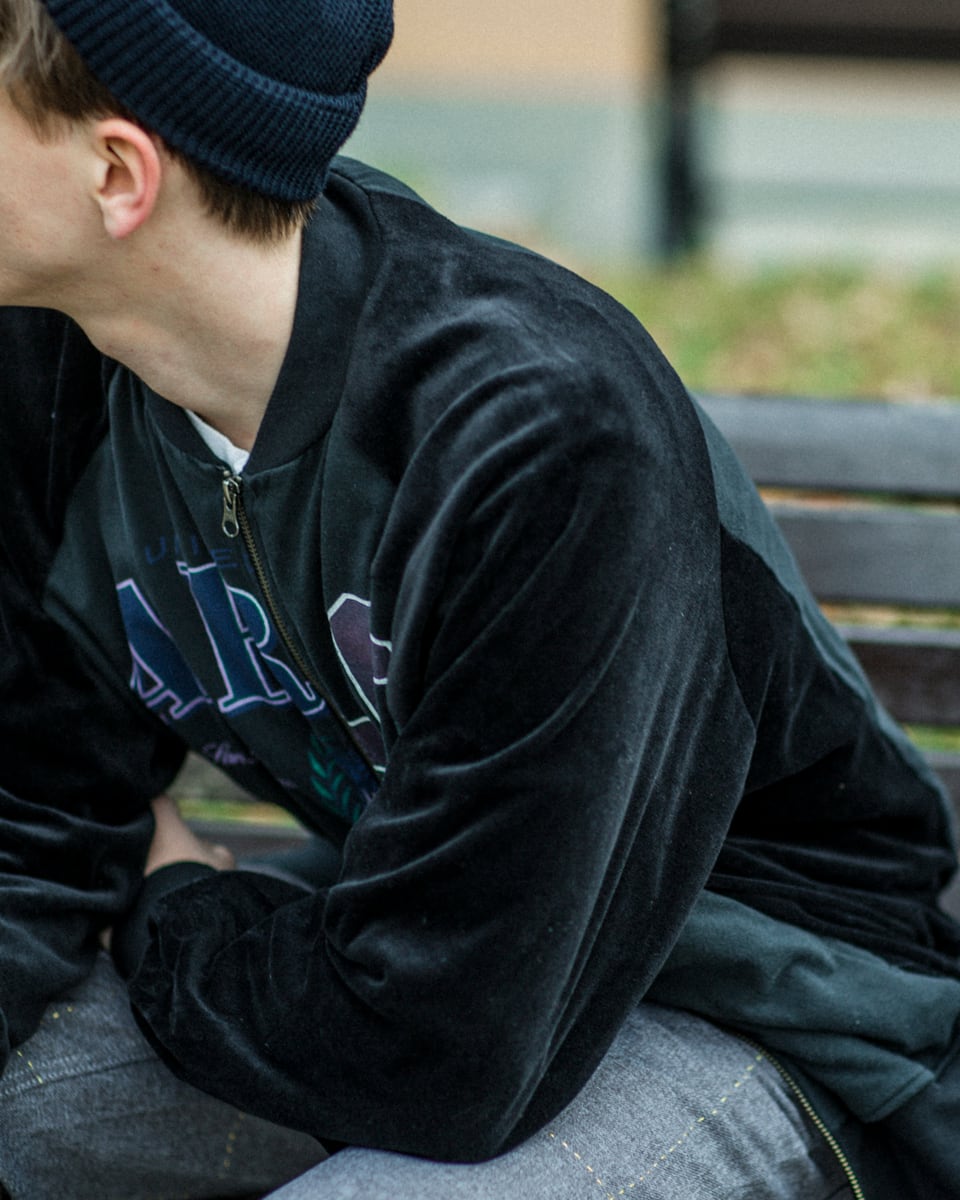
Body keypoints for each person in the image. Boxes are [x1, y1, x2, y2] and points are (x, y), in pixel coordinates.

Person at [1, 2, 960, 1197]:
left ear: (116, 173)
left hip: (751, 1001)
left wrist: (177, 900)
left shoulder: (539, 435)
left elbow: (441, 1057)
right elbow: (34, 820)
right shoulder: (61, 360)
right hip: (400, 953)